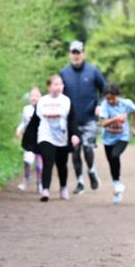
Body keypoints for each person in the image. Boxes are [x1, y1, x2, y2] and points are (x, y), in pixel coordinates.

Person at [59, 40, 107, 195]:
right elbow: (58, 94)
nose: (76, 55)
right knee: (75, 151)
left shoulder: (93, 71)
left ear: (83, 54)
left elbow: (105, 90)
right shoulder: (64, 73)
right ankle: (80, 181)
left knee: (87, 147)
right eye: (73, 52)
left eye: (78, 52)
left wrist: (100, 104)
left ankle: (91, 170)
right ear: (69, 55)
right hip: (71, 120)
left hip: (89, 119)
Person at [35, 74, 77, 201]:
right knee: (47, 162)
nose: (59, 87)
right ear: (49, 86)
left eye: (61, 84)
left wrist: (75, 135)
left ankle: (63, 187)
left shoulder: (66, 101)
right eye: (56, 84)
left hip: (62, 137)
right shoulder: (42, 101)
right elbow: (38, 118)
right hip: (45, 135)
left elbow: (72, 119)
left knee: (62, 164)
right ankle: (45, 190)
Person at [97, 82, 135, 205]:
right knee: (111, 163)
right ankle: (117, 185)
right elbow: (103, 123)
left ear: (117, 95)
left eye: (112, 98)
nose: (110, 101)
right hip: (108, 139)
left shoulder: (126, 103)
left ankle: (117, 185)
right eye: (108, 98)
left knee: (115, 156)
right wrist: (117, 118)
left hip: (122, 137)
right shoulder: (105, 105)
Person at [15, 87, 43, 192]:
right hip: (29, 139)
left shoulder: (43, 108)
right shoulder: (26, 109)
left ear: (41, 97)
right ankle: (26, 178)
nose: (34, 98)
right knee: (27, 161)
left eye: (37, 95)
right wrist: (18, 130)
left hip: (41, 139)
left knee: (40, 164)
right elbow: (23, 122)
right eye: (32, 95)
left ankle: (40, 183)